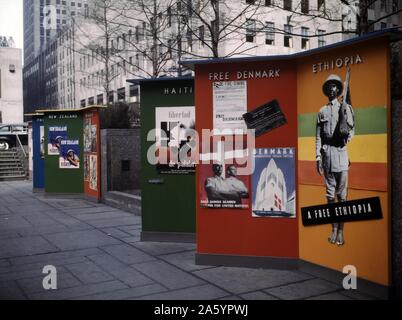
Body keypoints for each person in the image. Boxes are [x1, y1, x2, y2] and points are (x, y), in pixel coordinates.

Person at [316, 73, 354, 246]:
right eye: (329, 86)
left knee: (342, 198)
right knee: (330, 197)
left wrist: (345, 134)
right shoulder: (322, 111)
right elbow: (318, 137)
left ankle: (340, 231)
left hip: (341, 154)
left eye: (335, 86)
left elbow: (352, 131)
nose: (332, 88)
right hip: (327, 157)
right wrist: (317, 157)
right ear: (327, 90)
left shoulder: (345, 108)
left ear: (338, 89)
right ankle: (332, 229)